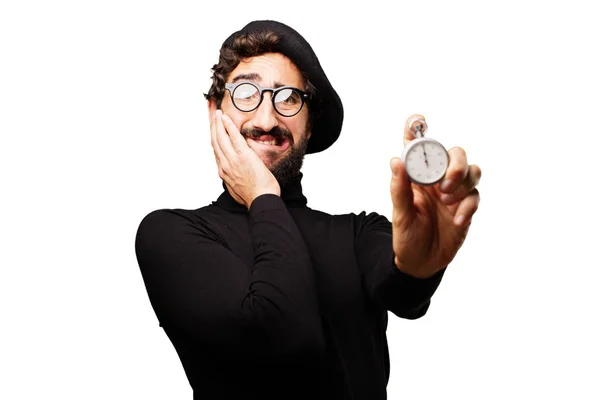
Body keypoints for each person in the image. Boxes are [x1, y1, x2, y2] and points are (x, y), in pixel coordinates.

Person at [134, 20, 481, 400]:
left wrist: (420, 265)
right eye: (246, 93)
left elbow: (404, 293)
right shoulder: (171, 234)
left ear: (310, 123)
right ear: (215, 110)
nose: (266, 119)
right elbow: (281, 334)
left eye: (287, 98)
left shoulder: (358, 235)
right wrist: (264, 194)